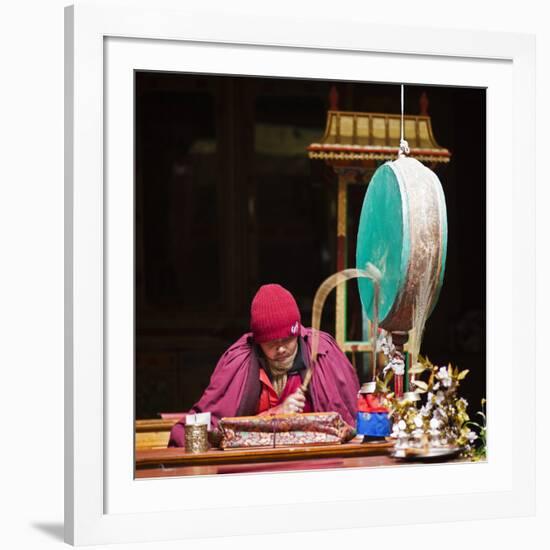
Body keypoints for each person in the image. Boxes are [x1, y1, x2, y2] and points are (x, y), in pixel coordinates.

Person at [168, 283, 360, 447]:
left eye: (287, 340)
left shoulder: (322, 353)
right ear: (258, 343)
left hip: (315, 461)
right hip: (255, 465)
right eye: (271, 344)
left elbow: (349, 423)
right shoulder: (240, 362)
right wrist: (275, 414)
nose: (282, 349)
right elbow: (209, 428)